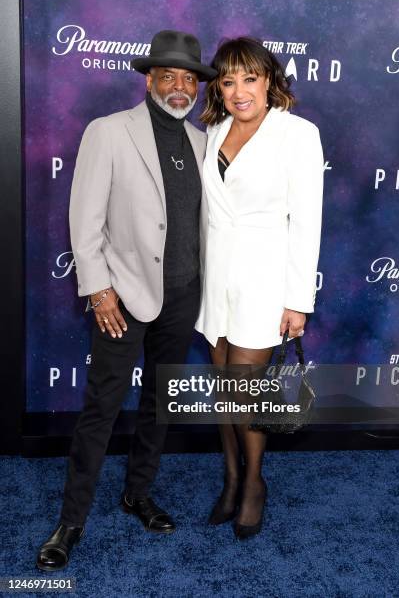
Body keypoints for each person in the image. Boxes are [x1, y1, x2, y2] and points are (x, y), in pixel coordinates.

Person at [36, 30, 217, 571]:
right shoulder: (109, 132)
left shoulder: (204, 141)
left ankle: (138, 493)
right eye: (170, 76)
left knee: (159, 405)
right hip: (123, 295)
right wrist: (99, 289)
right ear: (150, 79)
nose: (181, 87)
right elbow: (85, 218)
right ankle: (71, 520)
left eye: (189, 78)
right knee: (102, 408)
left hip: (183, 295)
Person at [195, 37, 324, 539]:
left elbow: (307, 222)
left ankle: (253, 484)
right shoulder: (215, 130)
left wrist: (298, 300)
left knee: (245, 395)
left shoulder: (298, 134)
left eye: (250, 78)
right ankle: (230, 478)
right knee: (224, 392)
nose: (239, 91)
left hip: (264, 279)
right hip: (217, 279)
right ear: (220, 90)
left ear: (270, 80)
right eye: (228, 81)